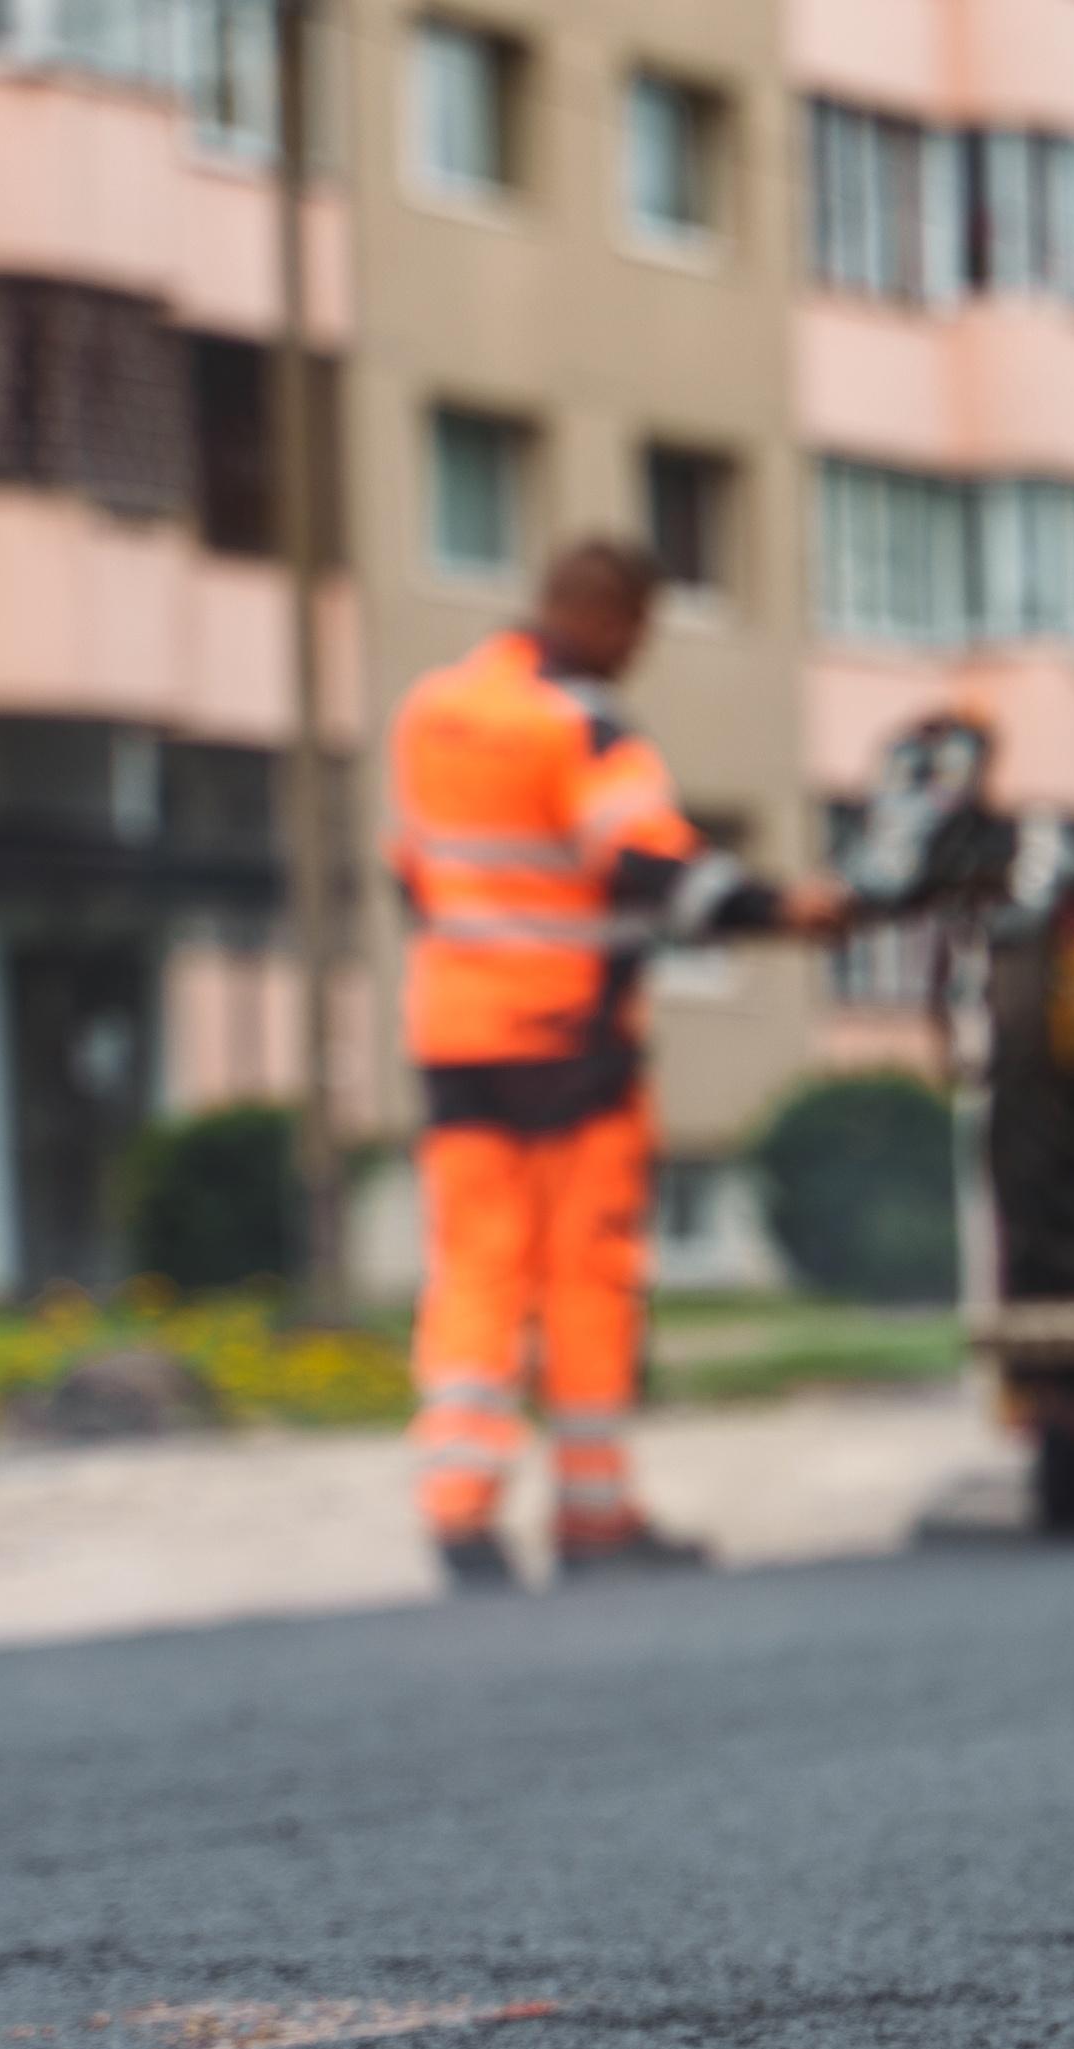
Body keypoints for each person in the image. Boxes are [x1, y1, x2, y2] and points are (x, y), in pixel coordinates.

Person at [385, 537, 851, 1591]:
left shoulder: (433, 712)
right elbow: (652, 867)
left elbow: (411, 874)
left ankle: (458, 1512)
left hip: (458, 1039)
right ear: (608, 616)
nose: (637, 653)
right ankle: (596, 1519)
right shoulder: (579, 725)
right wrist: (788, 908)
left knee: (474, 1270)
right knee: (586, 1275)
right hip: (572, 1049)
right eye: (640, 629)